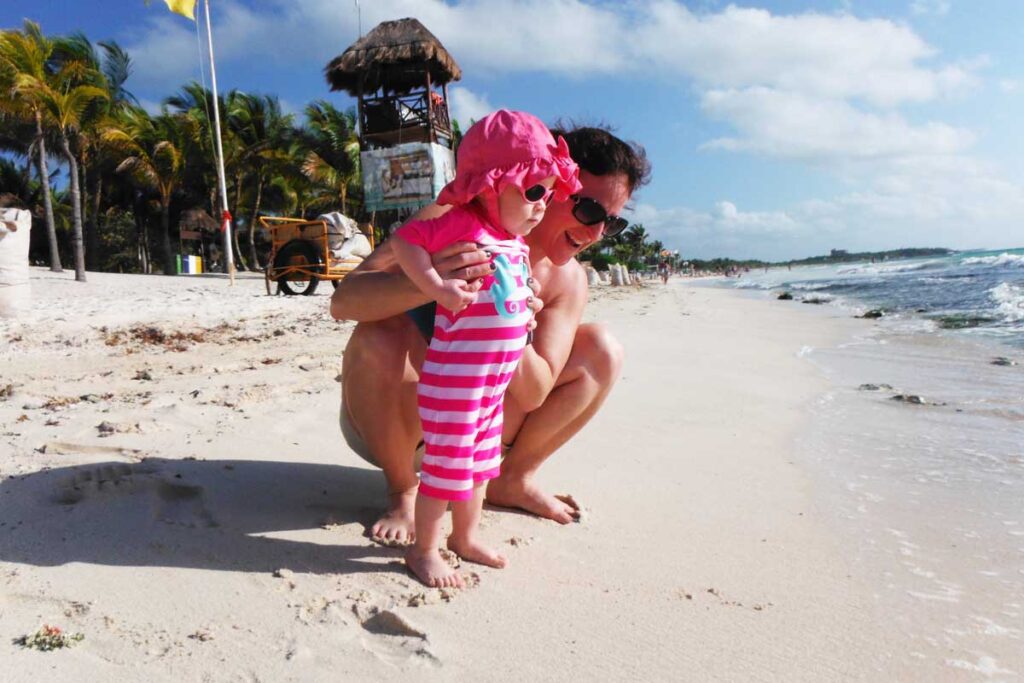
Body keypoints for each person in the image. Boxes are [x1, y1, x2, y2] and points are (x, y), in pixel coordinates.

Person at [331, 124, 651, 549]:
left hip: (479, 427)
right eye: (589, 210)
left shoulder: (567, 280)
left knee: (602, 349)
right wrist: (427, 283)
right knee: (379, 331)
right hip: (398, 422)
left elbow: (535, 393)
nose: (595, 234)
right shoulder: (452, 218)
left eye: (612, 224)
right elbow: (345, 302)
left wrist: (514, 325)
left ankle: (512, 479)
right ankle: (402, 490)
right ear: (548, 183)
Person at [390, 110, 581, 587]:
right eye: (533, 191)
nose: (542, 205)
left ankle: (465, 537)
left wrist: (526, 310)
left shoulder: (511, 241)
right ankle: (425, 550)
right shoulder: (457, 224)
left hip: (490, 384)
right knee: (445, 471)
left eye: (550, 193)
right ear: (488, 186)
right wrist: (436, 286)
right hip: (455, 383)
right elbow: (404, 241)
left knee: (479, 466)